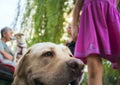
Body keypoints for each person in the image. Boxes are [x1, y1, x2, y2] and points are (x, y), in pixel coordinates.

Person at [72, 0, 120, 85]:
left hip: (111, 19)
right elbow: (77, 6)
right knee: (93, 65)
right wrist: (74, 26)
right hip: (90, 22)